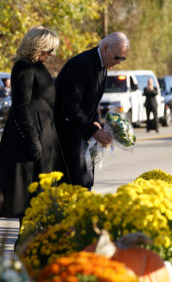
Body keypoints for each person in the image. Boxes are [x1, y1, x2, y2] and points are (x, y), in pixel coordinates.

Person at [0, 26, 68, 223]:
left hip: (46, 134)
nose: (51, 54)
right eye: (49, 50)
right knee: (30, 199)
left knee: (44, 198)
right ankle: (26, 245)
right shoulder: (23, 67)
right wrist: (32, 139)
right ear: (38, 46)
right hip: (29, 138)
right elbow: (20, 106)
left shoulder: (39, 67)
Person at [55, 32, 129, 189]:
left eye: (122, 59)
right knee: (75, 183)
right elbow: (70, 105)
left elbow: (92, 102)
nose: (119, 62)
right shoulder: (82, 65)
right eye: (117, 57)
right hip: (68, 132)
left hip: (83, 130)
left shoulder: (102, 65)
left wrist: (96, 121)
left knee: (86, 180)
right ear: (106, 48)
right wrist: (92, 129)